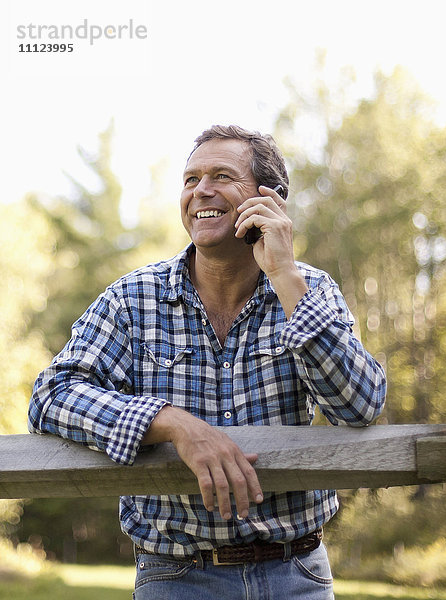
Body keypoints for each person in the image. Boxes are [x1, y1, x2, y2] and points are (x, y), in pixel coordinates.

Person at [29, 124, 386, 599]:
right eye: (191, 179)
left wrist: (283, 275)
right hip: (175, 577)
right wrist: (172, 423)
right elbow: (51, 397)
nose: (201, 192)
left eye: (221, 176)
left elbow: (360, 406)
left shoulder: (311, 291)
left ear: (270, 200)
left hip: (296, 573)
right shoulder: (134, 299)